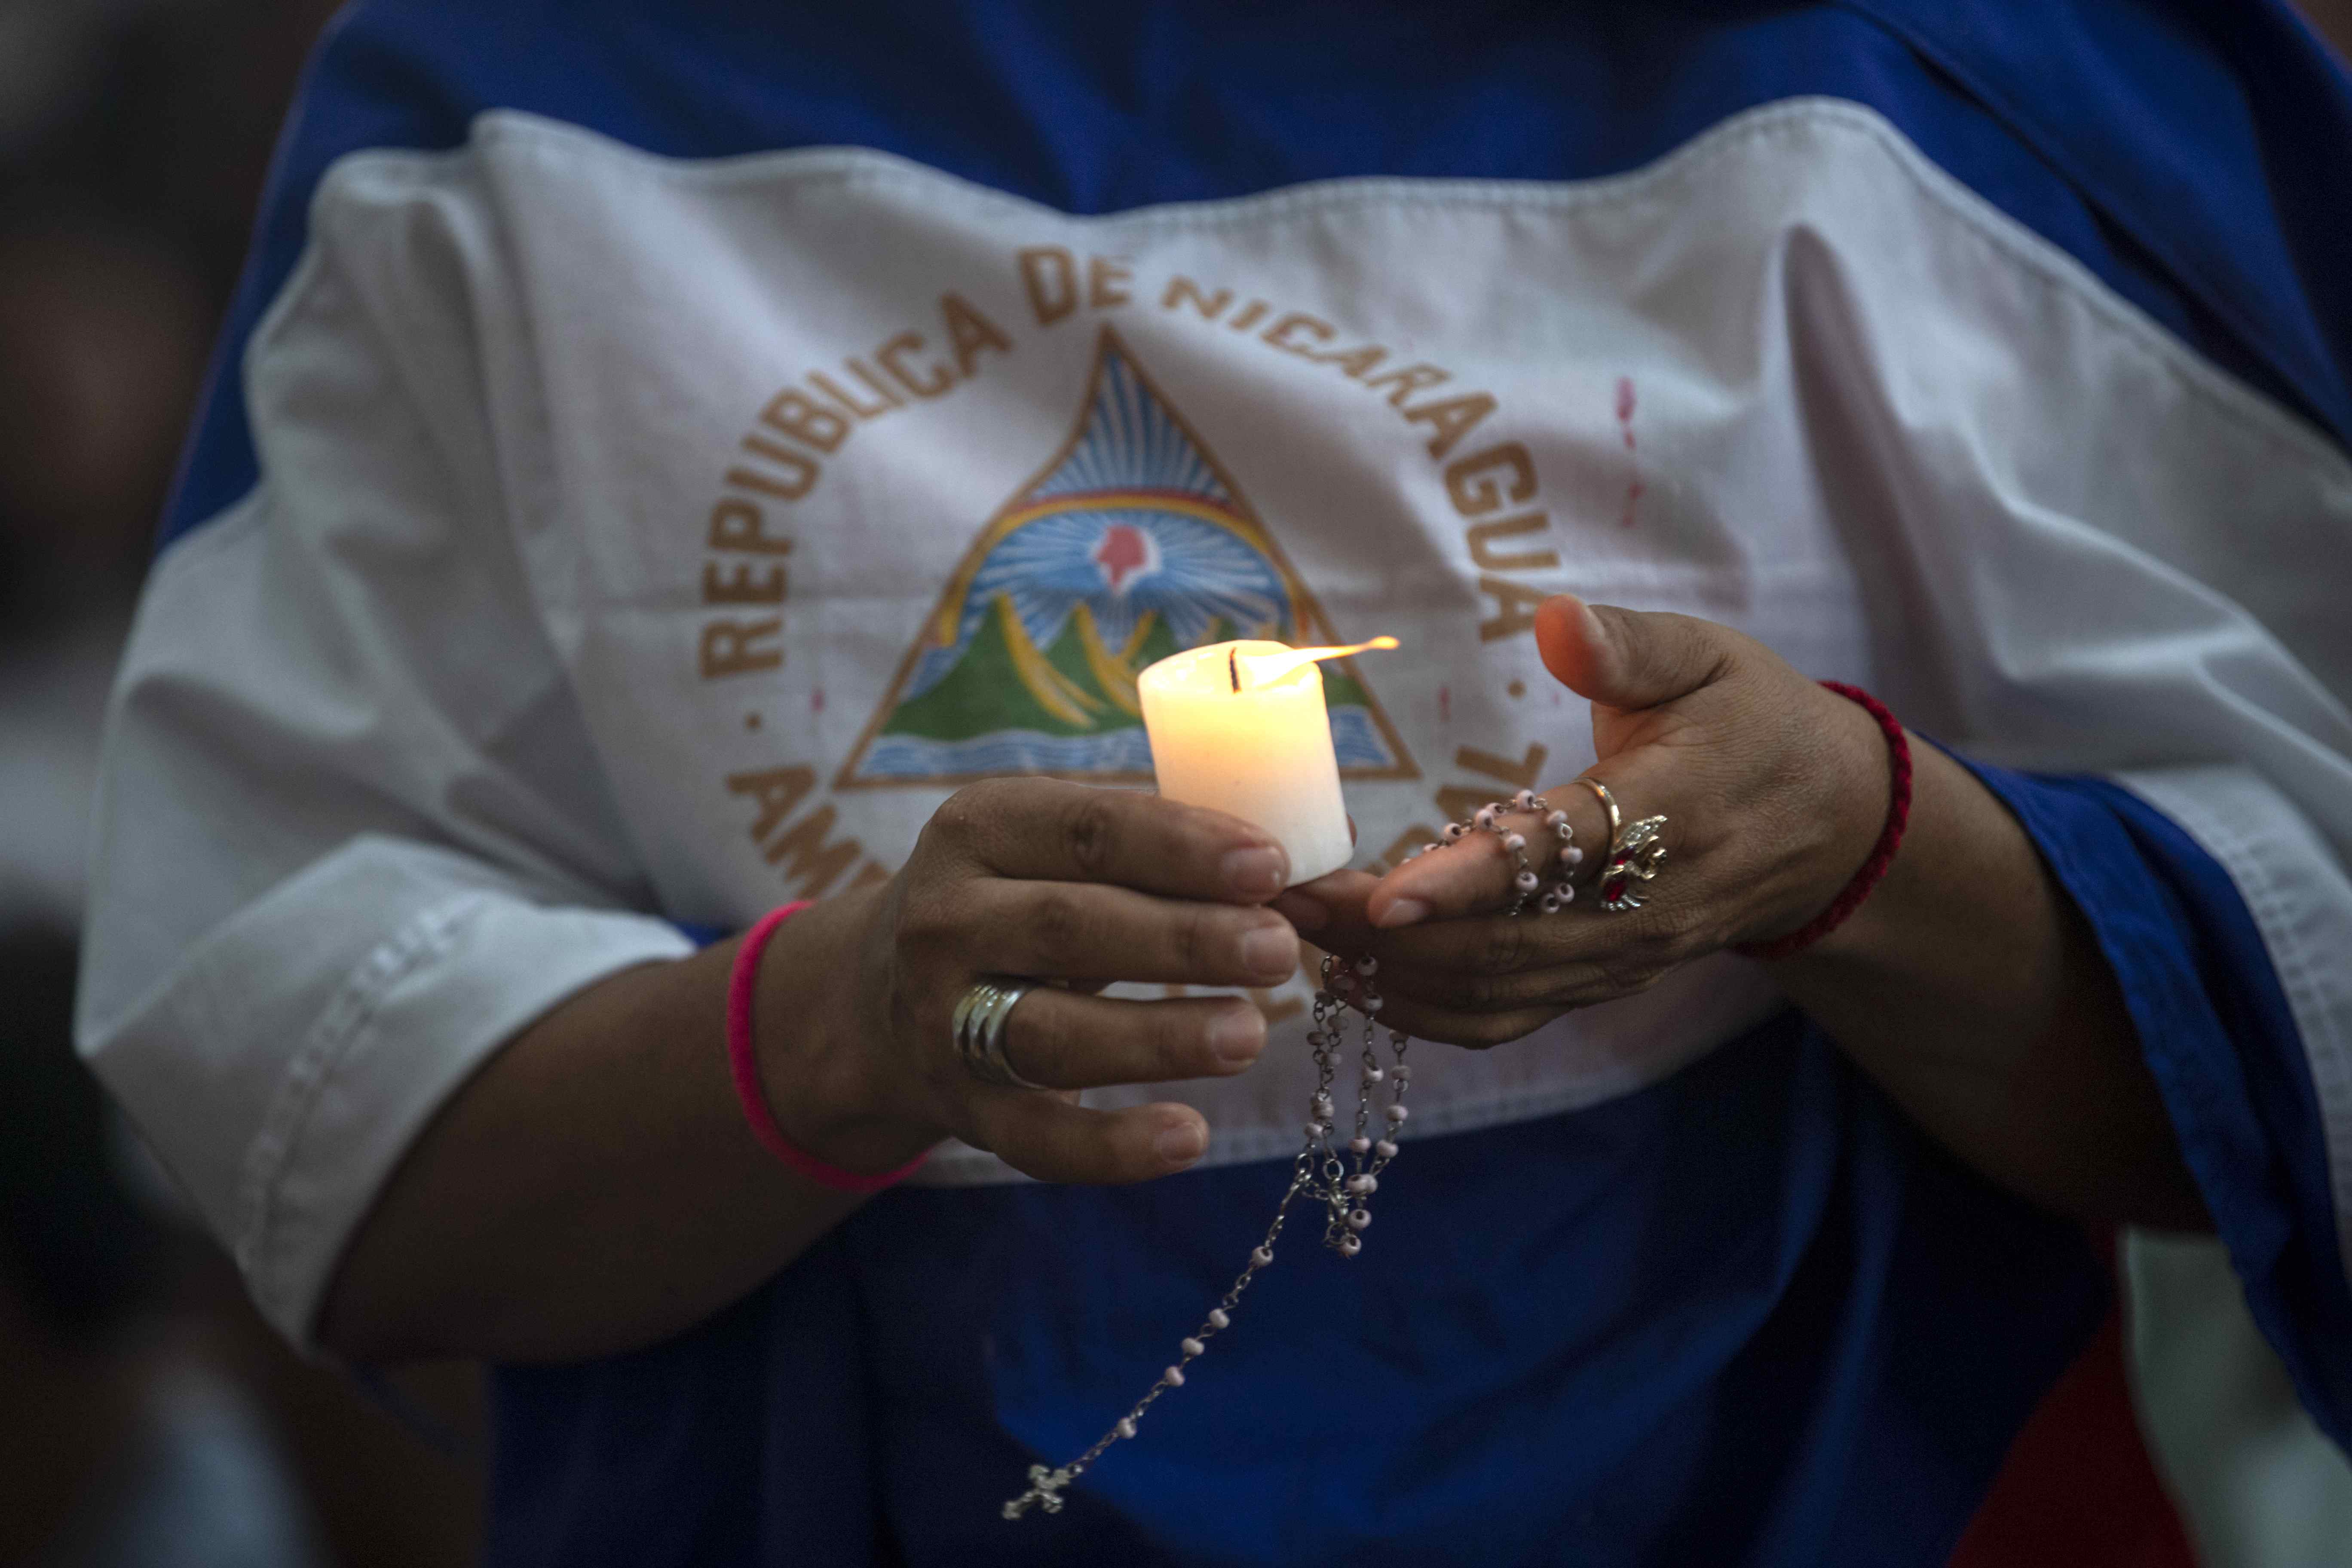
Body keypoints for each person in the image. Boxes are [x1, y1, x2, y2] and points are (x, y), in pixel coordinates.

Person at [78, 0, 2352, 1561]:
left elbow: (2282, 1030)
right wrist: (843, 1032)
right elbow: (301, 1082)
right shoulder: (533, 109)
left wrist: (1857, 849)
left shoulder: (1937, 74)